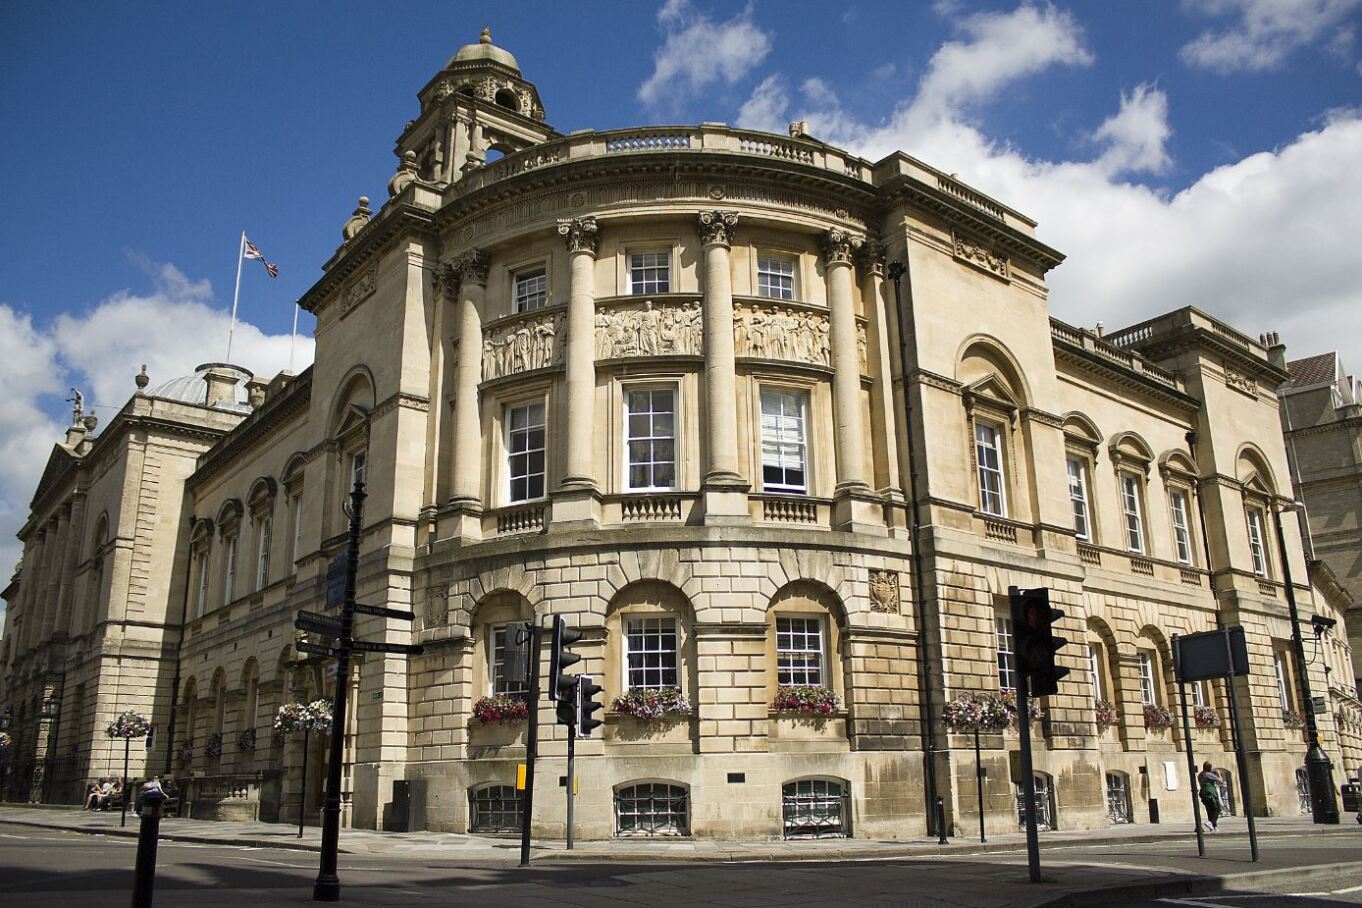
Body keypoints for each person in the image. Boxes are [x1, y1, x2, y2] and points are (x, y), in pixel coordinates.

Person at [1197, 761, 1221, 832]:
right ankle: (1210, 822)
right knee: (1217, 808)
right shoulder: (1209, 775)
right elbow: (1221, 781)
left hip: (1203, 793)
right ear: (1210, 768)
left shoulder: (1201, 775)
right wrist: (1218, 773)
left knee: (1210, 810)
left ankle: (1213, 826)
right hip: (1210, 793)